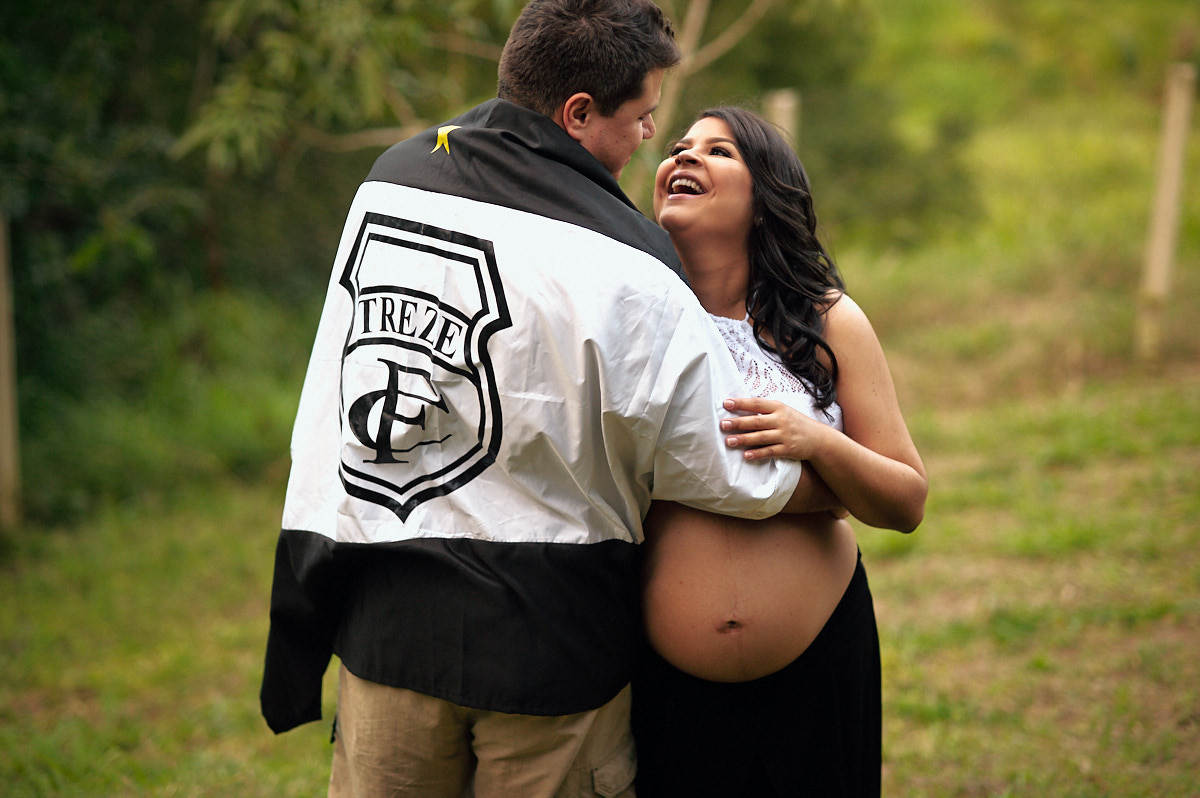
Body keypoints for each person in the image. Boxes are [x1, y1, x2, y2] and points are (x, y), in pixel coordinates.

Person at [260, 5, 834, 797]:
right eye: (640, 118)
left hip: (390, 635)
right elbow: (714, 463)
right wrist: (831, 479)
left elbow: (334, 397)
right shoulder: (631, 255)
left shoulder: (389, 185)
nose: (646, 140)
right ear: (577, 115)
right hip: (551, 657)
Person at [631, 107, 929, 797]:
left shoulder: (827, 320)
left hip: (818, 665)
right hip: (666, 680)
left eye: (718, 151)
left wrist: (817, 441)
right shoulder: (634, 319)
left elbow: (908, 500)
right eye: (678, 148)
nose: (684, 158)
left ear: (764, 197)